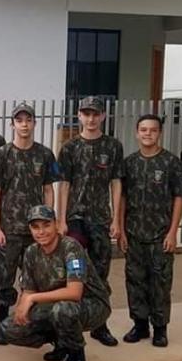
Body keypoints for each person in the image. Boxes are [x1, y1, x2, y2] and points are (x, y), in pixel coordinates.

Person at [0, 206, 111, 361]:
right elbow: (29, 289)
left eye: (46, 225)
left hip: (92, 304)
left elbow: (74, 292)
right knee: (8, 328)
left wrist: (32, 299)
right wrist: (22, 305)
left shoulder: (71, 247)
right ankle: (61, 343)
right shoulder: (32, 252)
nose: (41, 232)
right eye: (35, 227)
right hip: (56, 304)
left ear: (56, 225)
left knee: (62, 310)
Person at [56, 96, 122, 347]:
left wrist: (116, 218)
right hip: (74, 219)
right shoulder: (70, 148)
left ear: (103, 116)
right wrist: (61, 219)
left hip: (100, 219)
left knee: (100, 273)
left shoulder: (112, 146)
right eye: (86, 114)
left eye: (95, 114)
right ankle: (66, 327)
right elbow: (64, 185)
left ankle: (99, 325)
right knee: (70, 273)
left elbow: (116, 183)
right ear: (79, 116)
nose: (91, 118)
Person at [117, 114, 182, 347]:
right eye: (144, 130)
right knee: (135, 281)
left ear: (160, 133)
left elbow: (179, 197)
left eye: (153, 130)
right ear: (137, 133)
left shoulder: (170, 162)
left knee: (160, 282)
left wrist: (172, 232)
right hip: (135, 234)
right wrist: (122, 230)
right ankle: (139, 325)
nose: (148, 134)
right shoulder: (129, 163)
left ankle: (160, 328)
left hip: (160, 235)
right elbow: (123, 198)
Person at [0, 104, 60, 325]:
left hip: (35, 230)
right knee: (4, 277)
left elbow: (48, 189)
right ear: (12, 125)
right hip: (9, 229)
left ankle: (35, 318)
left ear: (34, 123)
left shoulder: (44, 154)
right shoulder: (1, 154)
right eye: (19, 121)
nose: (24, 125)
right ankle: (3, 322)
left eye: (28, 120)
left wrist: (50, 224)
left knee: (37, 276)